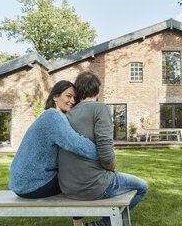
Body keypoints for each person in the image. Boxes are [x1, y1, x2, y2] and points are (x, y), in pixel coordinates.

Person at [58, 71, 148, 226]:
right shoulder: (100, 108)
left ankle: (79, 222)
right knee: (141, 187)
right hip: (93, 186)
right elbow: (106, 154)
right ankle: (103, 224)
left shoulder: (67, 114)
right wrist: (111, 167)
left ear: (77, 92)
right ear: (98, 90)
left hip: (68, 187)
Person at [9, 80, 99, 199]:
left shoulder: (49, 115)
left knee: (77, 174)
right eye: (68, 96)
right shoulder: (53, 116)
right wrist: (103, 155)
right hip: (33, 185)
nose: (72, 101)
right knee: (87, 181)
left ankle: (78, 218)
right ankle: (103, 215)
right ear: (55, 97)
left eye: (74, 98)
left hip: (22, 184)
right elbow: (76, 144)